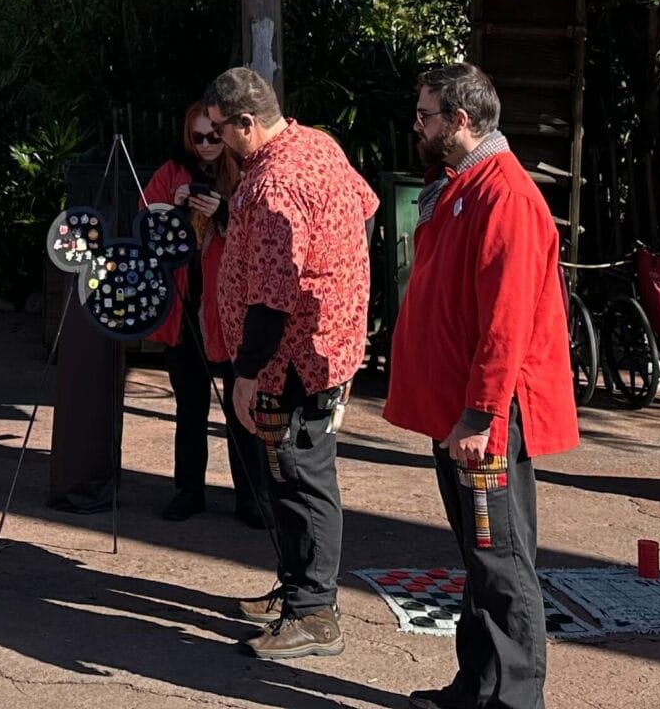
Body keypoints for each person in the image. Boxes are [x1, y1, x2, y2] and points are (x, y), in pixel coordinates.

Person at [385, 64, 579, 709]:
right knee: (480, 554)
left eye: (426, 116)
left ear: (460, 122)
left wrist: (480, 414)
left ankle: (515, 699)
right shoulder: (468, 186)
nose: (418, 126)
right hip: (466, 409)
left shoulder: (505, 197)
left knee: (500, 557)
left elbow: (507, 321)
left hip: (489, 412)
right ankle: (478, 687)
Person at [205, 65, 378, 663]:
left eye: (222, 129)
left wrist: (248, 372)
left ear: (248, 123)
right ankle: (298, 587)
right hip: (321, 345)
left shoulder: (276, 180)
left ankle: (315, 614)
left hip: (293, 360)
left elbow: (274, 293)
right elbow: (366, 207)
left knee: (298, 474)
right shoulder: (317, 144)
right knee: (289, 474)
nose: (218, 141)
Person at [141, 96, 262, 523]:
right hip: (187, 308)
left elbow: (262, 235)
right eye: (199, 138)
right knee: (189, 405)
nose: (208, 144)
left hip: (231, 311)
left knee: (241, 407)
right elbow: (147, 230)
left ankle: (251, 497)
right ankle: (188, 490)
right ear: (188, 139)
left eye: (215, 136)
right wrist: (173, 211)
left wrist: (225, 212)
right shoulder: (170, 173)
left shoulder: (246, 173)